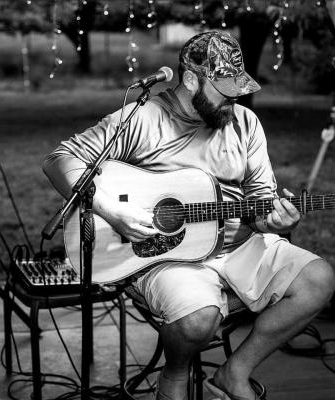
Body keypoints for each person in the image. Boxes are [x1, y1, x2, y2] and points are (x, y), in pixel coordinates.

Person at [43, 31, 335, 400]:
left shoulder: (244, 123)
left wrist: (277, 221)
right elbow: (59, 160)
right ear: (192, 78)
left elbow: (261, 200)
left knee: (318, 279)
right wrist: (111, 209)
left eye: (238, 89)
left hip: (238, 247)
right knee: (198, 319)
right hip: (164, 256)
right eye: (224, 90)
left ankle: (234, 373)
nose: (235, 99)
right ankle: (175, 374)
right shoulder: (143, 118)